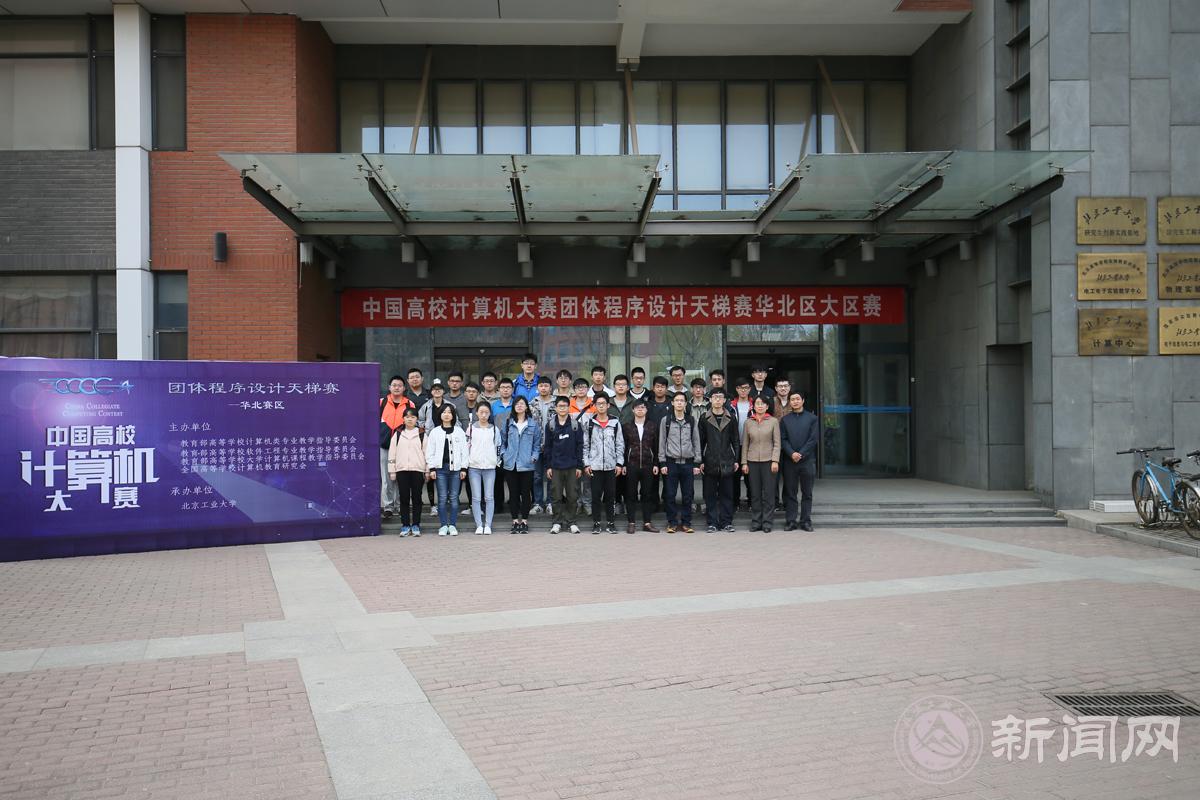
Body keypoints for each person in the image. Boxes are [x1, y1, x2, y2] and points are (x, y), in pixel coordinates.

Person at [658, 391, 701, 533]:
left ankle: (686, 523)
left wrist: (697, 462)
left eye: (682, 400)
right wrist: (662, 462)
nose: (679, 403)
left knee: (688, 495)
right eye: (677, 400)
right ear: (672, 403)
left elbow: (696, 441)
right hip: (671, 462)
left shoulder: (691, 420)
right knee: (670, 495)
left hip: (688, 463)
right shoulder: (666, 420)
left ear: (685, 403)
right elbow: (662, 442)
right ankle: (672, 523)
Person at [699, 387, 739, 533]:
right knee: (710, 495)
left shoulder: (731, 417)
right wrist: (700, 461)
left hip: (727, 460)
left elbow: (735, 440)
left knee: (727, 494)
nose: (717, 400)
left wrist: (736, 459)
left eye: (720, 397)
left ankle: (726, 522)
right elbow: (700, 442)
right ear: (710, 400)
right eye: (715, 397)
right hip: (710, 460)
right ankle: (712, 523)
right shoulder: (704, 418)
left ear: (724, 400)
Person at [583, 393, 625, 533]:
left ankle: (611, 523)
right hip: (594, 466)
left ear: (608, 405)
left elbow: (620, 444)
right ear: (594, 406)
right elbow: (585, 445)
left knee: (610, 496)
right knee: (595, 496)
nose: (601, 406)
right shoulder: (589, 424)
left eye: (603, 403)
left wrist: (619, 463)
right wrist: (586, 464)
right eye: (598, 404)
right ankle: (596, 523)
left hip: (611, 466)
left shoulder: (615, 423)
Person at [424, 403, 468, 536]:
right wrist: (432, 468)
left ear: (453, 415)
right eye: (444, 412)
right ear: (440, 415)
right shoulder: (435, 432)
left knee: (454, 498)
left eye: (449, 412)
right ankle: (443, 525)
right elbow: (430, 452)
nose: (447, 414)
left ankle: (453, 525)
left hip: (456, 469)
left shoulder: (459, 431)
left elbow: (464, 451)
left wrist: (464, 468)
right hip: (440, 469)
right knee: (442, 498)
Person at [544, 396, 584, 534]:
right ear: (555, 408)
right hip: (556, 467)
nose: (562, 408)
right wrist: (548, 466)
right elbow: (547, 447)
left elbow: (580, 446)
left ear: (569, 407)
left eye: (565, 406)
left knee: (573, 496)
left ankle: (571, 522)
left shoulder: (575, 425)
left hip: (572, 466)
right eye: (560, 406)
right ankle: (557, 522)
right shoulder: (550, 425)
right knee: (556, 496)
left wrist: (579, 466)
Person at [779, 390, 819, 532]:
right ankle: (791, 521)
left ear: (803, 401)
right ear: (789, 402)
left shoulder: (812, 418)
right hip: (790, 461)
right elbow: (783, 439)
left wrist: (801, 454)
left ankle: (806, 521)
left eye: (797, 399)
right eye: (792, 399)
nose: (795, 401)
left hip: (807, 461)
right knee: (790, 493)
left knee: (807, 493)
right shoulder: (785, 420)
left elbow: (813, 439)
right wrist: (792, 453)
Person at [500, 396, 541, 534]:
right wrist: (504, 455)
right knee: (513, 494)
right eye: (516, 403)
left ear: (526, 407)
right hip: (510, 464)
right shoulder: (508, 423)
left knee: (525, 493)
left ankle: (524, 521)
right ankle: (514, 521)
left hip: (527, 464)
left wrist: (534, 457)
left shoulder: (533, 424)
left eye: (522, 403)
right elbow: (502, 442)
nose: (519, 406)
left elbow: (537, 445)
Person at [741, 395, 780, 532]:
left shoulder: (773, 421)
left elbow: (777, 443)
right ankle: (756, 522)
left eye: (763, 403)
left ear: (767, 406)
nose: (760, 406)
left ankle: (767, 522)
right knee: (755, 493)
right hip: (752, 462)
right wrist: (744, 463)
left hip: (768, 461)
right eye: (757, 403)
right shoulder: (748, 422)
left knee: (768, 493)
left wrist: (775, 460)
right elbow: (745, 444)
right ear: (753, 406)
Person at [387, 407, 426, 536]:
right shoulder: (398, 434)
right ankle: (405, 525)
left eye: (413, 417)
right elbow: (392, 453)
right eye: (407, 417)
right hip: (401, 470)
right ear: (403, 419)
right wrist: (392, 471)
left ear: (417, 419)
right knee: (403, 498)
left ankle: (416, 525)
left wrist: (427, 470)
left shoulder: (421, 433)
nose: (410, 419)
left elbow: (426, 453)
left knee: (417, 499)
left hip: (417, 470)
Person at [379, 374, 414, 518]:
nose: (397, 388)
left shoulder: (409, 404)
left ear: (404, 388)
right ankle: (387, 506)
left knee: (402, 477)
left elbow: (413, 424)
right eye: (394, 385)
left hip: (403, 446)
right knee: (386, 477)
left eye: (400, 385)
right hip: (384, 445)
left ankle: (400, 505)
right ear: (389, 387)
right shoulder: (381, 402)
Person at [623, 398, 659, 533]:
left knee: (647, 494)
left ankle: (647, 523)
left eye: (643, 407)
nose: (640, 409)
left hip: (648, 465)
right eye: (637, 407)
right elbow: (623, 447)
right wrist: (623, 464)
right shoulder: (627, 426)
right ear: (633, 410)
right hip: (631, 464)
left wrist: (656, 463)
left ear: (646, 410)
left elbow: (656, 446)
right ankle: (631, 522)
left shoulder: (652, 426)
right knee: (630, 494)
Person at [466, 402, 501, 535]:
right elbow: (466, 445)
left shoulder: (494, 429)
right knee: (476, 497)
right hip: (474, 467)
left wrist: (496, 461)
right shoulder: (471, 428)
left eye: (486, 412)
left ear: (490, 413)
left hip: (490, 467)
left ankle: (488, 525)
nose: (484, 415)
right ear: (476, 413)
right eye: (481, 412)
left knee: (489, 497)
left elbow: (498, 446)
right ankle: (479, 525)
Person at [529, 375, 556, 515]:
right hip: (536, 446)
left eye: (546, 386)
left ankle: (550, 502)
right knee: (537, 476)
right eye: (541, 386)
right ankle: (538, 503)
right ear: (537, 388)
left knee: (552, 476)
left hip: (553, 446)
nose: (543, 388)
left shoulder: (557, 403)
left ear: (550, 388)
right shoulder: (531, 404)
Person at [731, 377, 754, 510]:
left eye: (746, 388)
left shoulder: (755, 404)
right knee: (735, 476)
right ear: (737, 389)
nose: (743, 390)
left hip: (751, 446)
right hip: (735, 445)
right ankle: (735, 503)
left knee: (750, 477)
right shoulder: (731, 405)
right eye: (740, 388)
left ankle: (751, 502)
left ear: (750, 389)